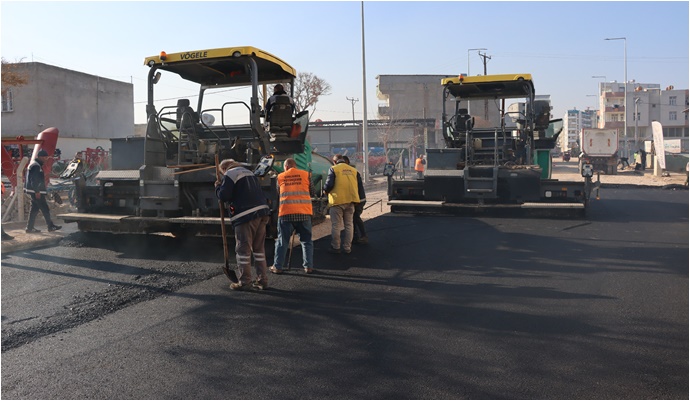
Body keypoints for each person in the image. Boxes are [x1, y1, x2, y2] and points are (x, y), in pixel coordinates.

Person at [215, 159, 271, 290]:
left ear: (223, 169)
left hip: (246, 215)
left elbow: (224, 195)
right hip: (262, 212)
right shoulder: (249, 172)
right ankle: (262, 280)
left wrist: (218, 187)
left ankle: (245, 281)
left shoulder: (230, 173)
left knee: (243, 250)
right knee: (258, 249)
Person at [269, 158, 314, 275]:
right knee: (306, 241)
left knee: (282, 241)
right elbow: (312, 192)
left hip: (286, 214)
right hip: (304, 213)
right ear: (295, 166)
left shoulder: (280, 177)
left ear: (286, 167)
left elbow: (278, 193)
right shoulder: (306, 175)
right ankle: (308, 266)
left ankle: (277, 266)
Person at [323, 154, 360, 254]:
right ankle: (347, 248)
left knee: (336, 225)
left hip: (337, 201)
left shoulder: (334, 169)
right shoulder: (353, 170)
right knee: (349, 225)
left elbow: (329, 184)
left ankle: (336, 247)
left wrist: (325, 190)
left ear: (334, 162)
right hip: (351, 201)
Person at [25, 149, 61, 234]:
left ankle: (29, 228)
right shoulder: (36, 166)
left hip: (33, 190)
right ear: (40, 157)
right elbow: (34, 180)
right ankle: (50, 226)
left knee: (34, 209)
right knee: (45, 208)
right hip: (36, 191)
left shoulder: (35, 164)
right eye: (45, 157)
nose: (46, 159)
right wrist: (37, 191)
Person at [343, 155, 367, 244]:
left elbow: (354, 187)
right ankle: (355, 236)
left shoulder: (352, 173)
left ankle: (363, 236)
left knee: (355, 217)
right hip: (355, 199)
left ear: (347, 163)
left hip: (358, 199)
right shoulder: (351, 172)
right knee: (353, 218)